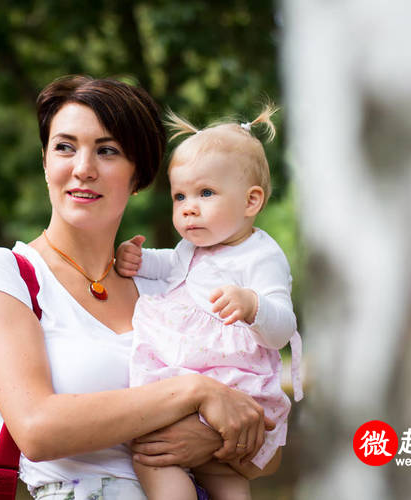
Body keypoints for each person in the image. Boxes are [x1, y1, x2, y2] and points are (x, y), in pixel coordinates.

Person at [0, 75, 274, 500]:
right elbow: (37, 427)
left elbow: (263, 439)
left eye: (107, 151)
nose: (83, 169)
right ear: (45, 161)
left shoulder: (167, 281)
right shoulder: (7, 275)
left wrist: (209, 442)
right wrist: (195, 393)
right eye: (65, 147)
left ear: (139, 175)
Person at [114, 107, 303, 500]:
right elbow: (170, 264)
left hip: (236, 391)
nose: (188, 207)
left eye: (205, 193)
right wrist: (140, 261)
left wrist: (253, 307)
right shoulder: (191, 248)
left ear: (252, 202)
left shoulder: (261, 257)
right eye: (179, 195)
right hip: (191, 388)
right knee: (172, 462)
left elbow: (282, 329)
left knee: (171, 462)